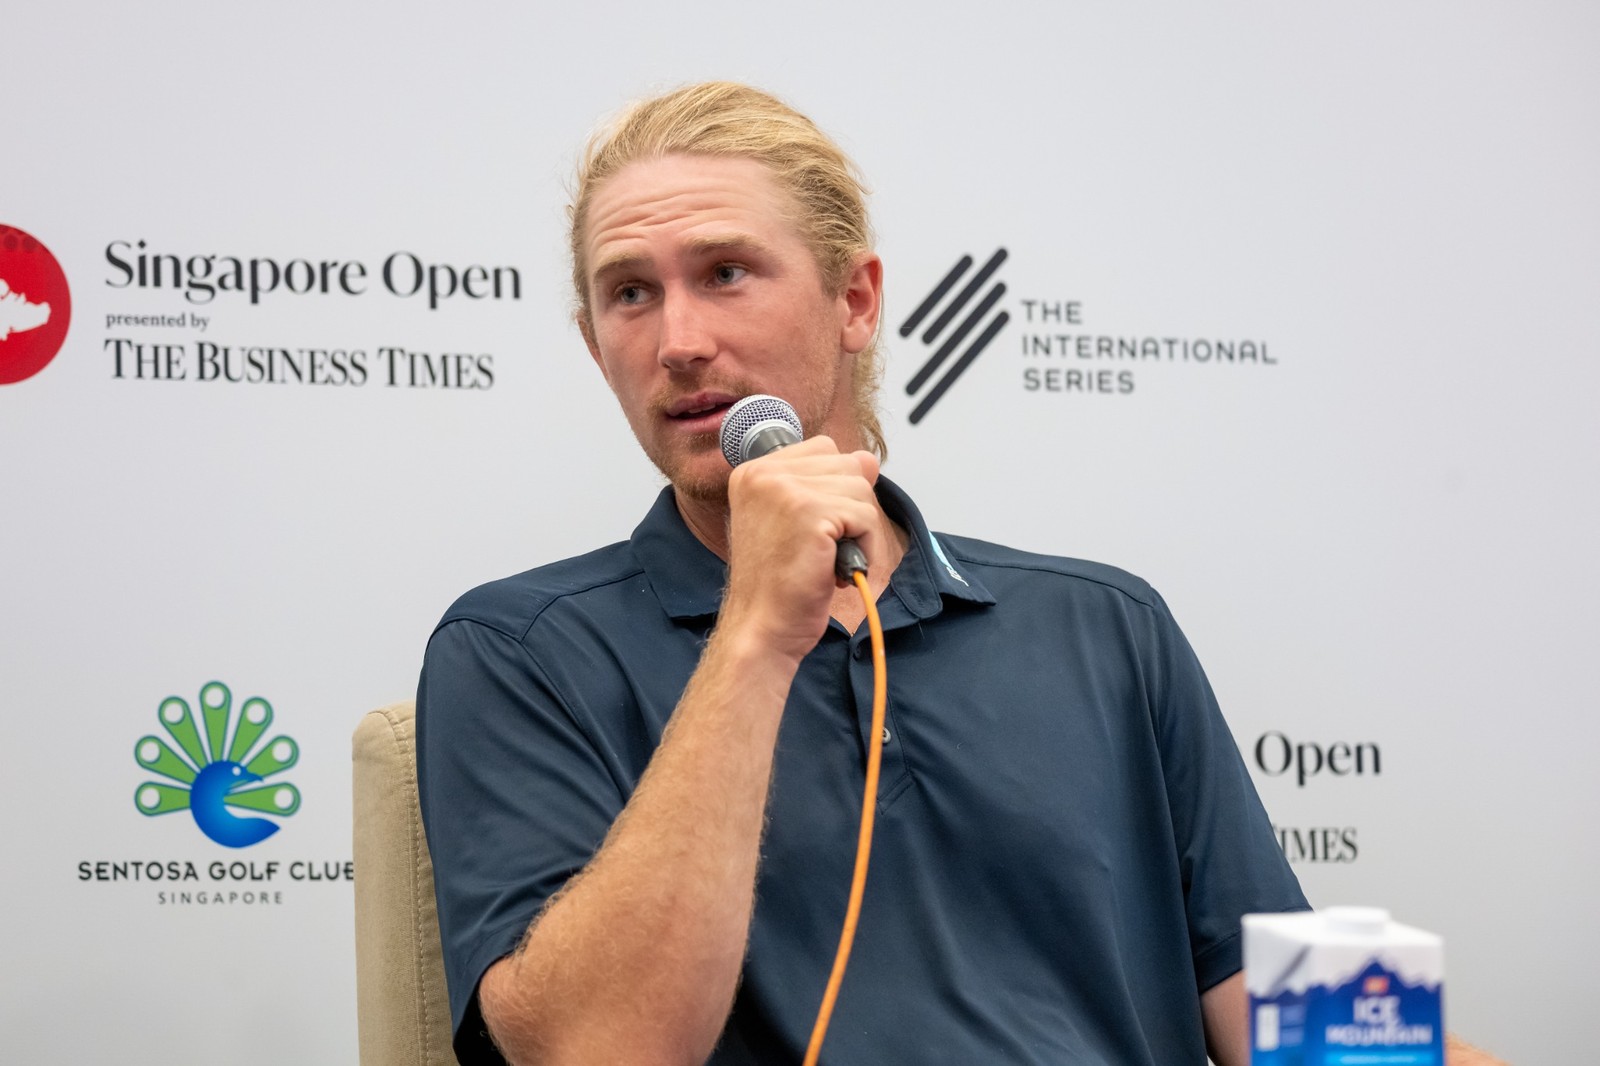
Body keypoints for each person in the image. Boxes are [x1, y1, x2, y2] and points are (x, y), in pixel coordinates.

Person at [416, 82, 1503, 1066]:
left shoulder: (1105, 623)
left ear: (855, 302)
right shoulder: (518, 649)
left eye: (726, 272)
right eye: (629, 295)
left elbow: (1293, 1016)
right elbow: (599, 1051)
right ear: (593, 340)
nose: (680, 340)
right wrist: (753, 636)